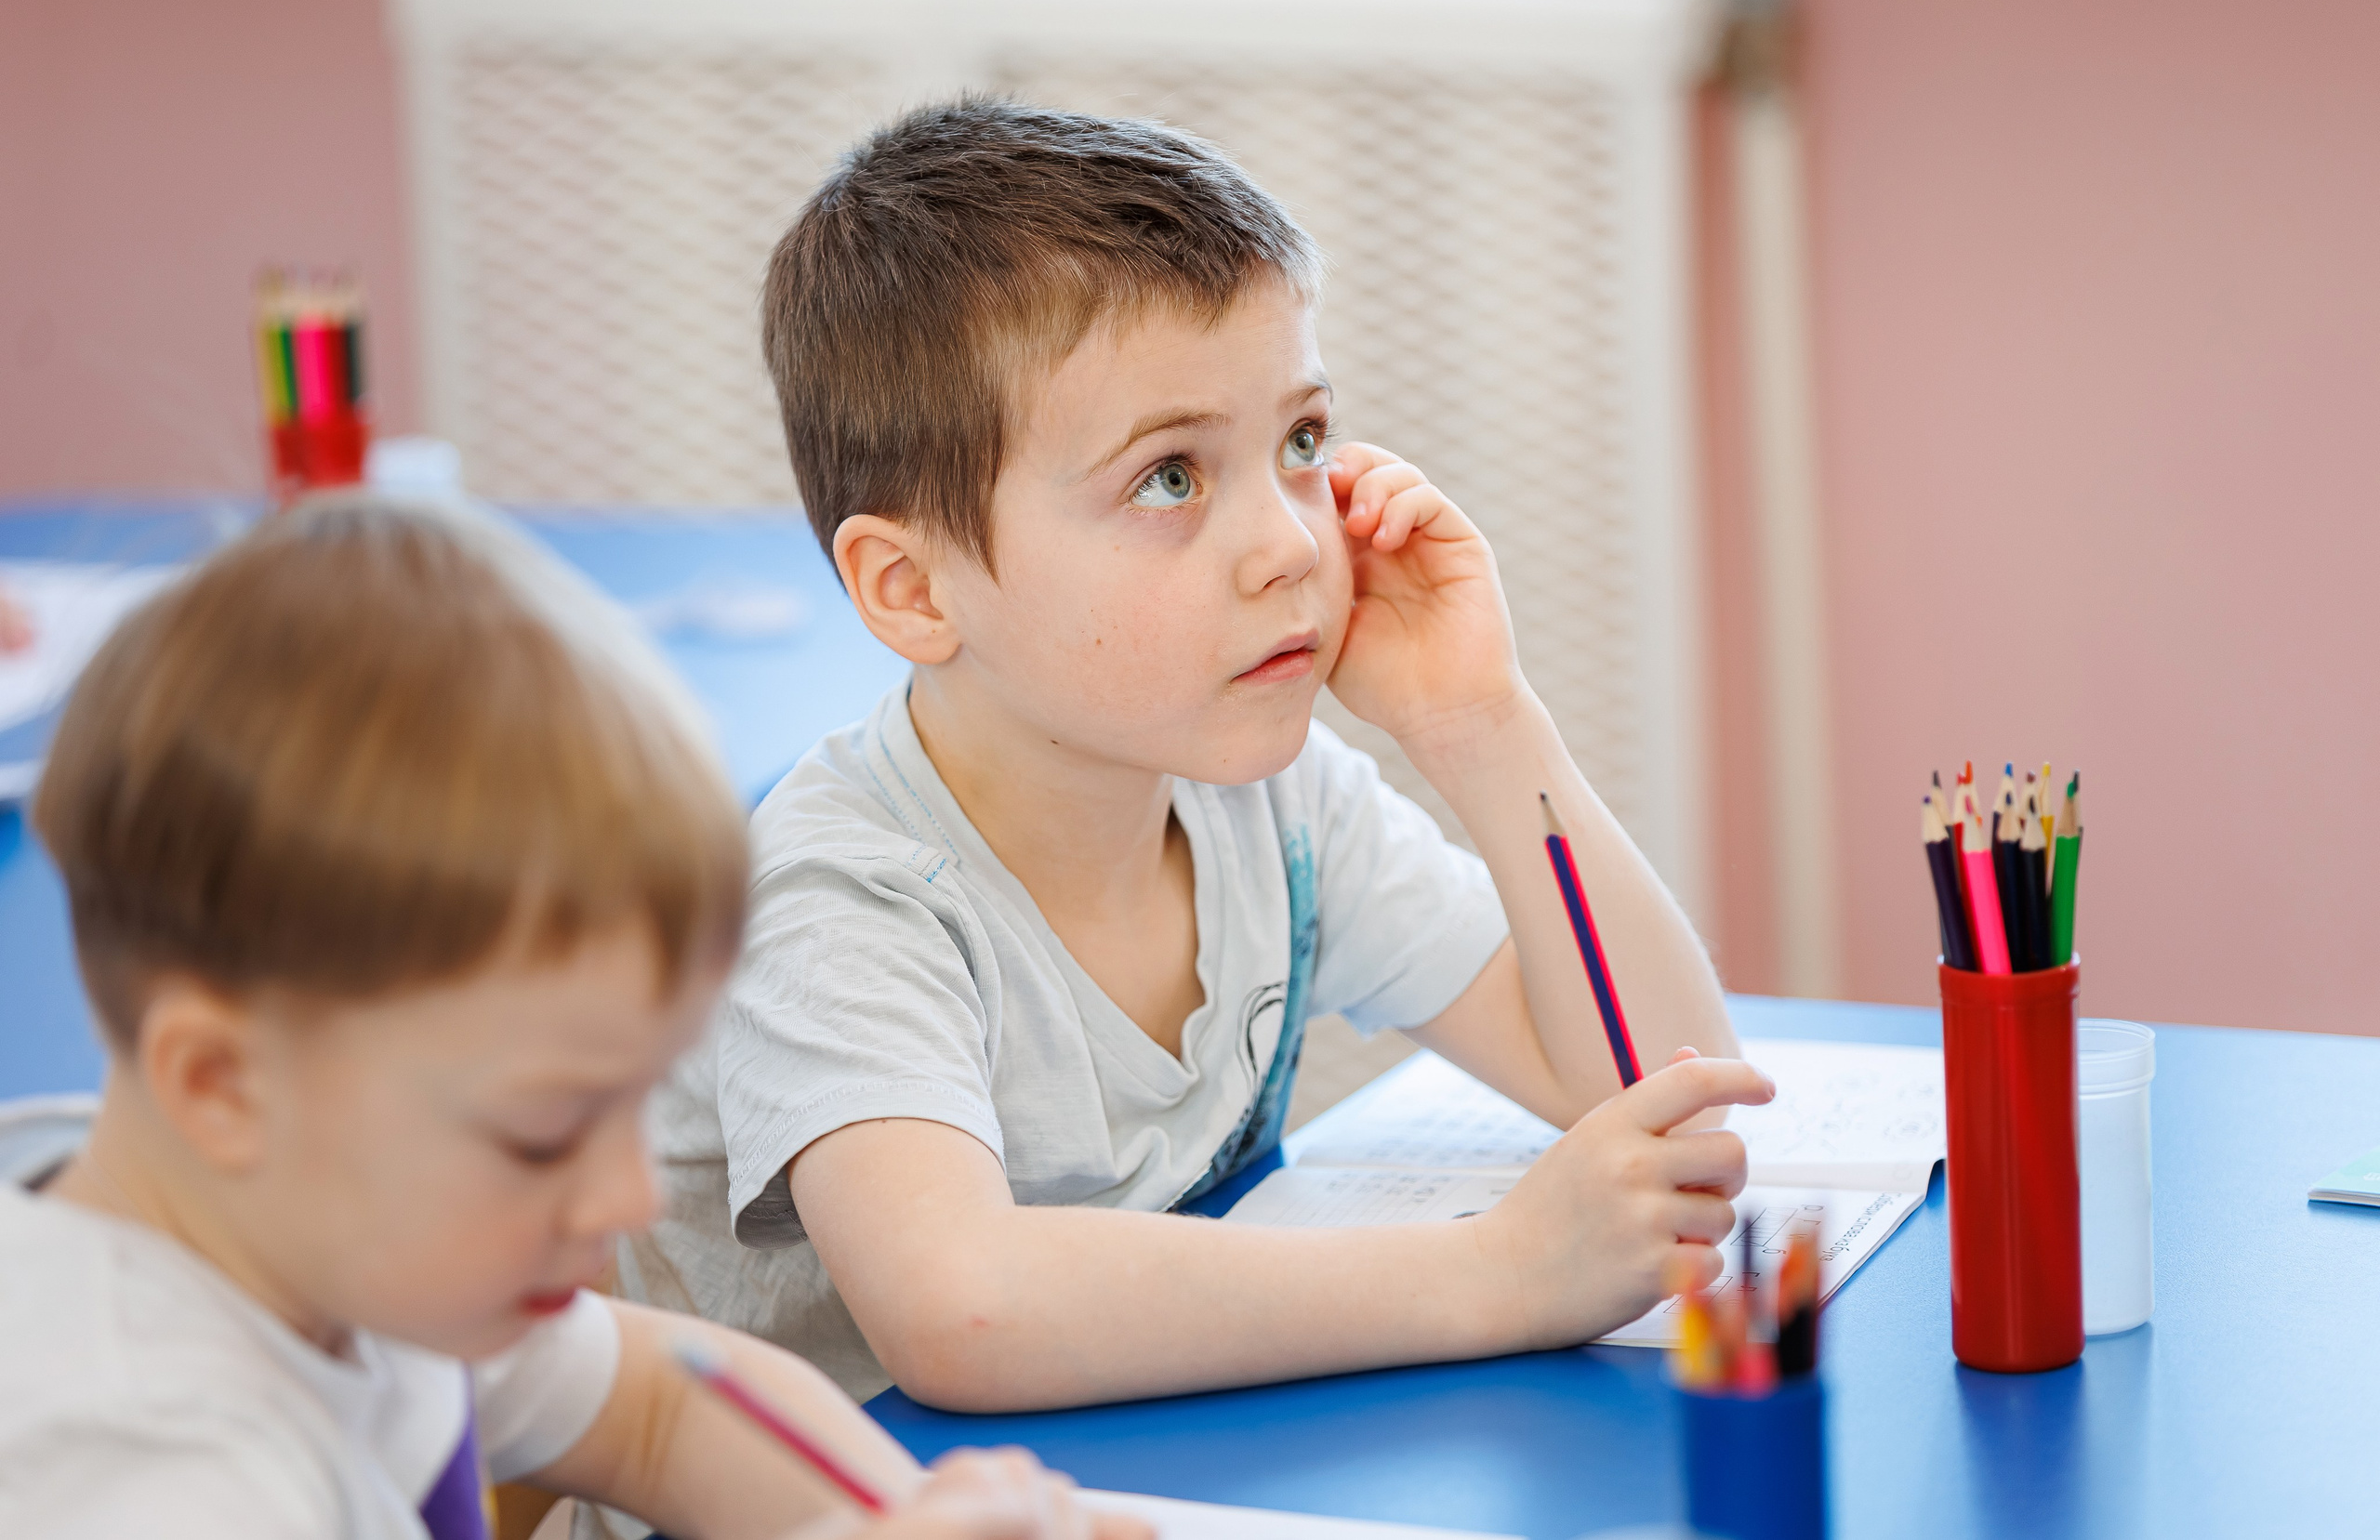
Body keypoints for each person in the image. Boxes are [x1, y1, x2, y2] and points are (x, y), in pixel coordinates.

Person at [635, 97, 1774, 1414]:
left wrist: (1484, 722)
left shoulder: (1268, 805)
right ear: (912, 588)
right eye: (1169, 476)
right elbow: (964, 1304)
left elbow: (1664, 1088)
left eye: (1299, 443)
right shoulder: (838, 897)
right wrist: (1500, 1272)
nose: (1292, 540)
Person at [0, 495, 1141, 1540]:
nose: (629, 1195)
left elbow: (662, 1403)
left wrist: (892, 1514)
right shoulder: (149, 1474)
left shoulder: (318, 1227)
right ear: (221, 1086)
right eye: (544, 1133)